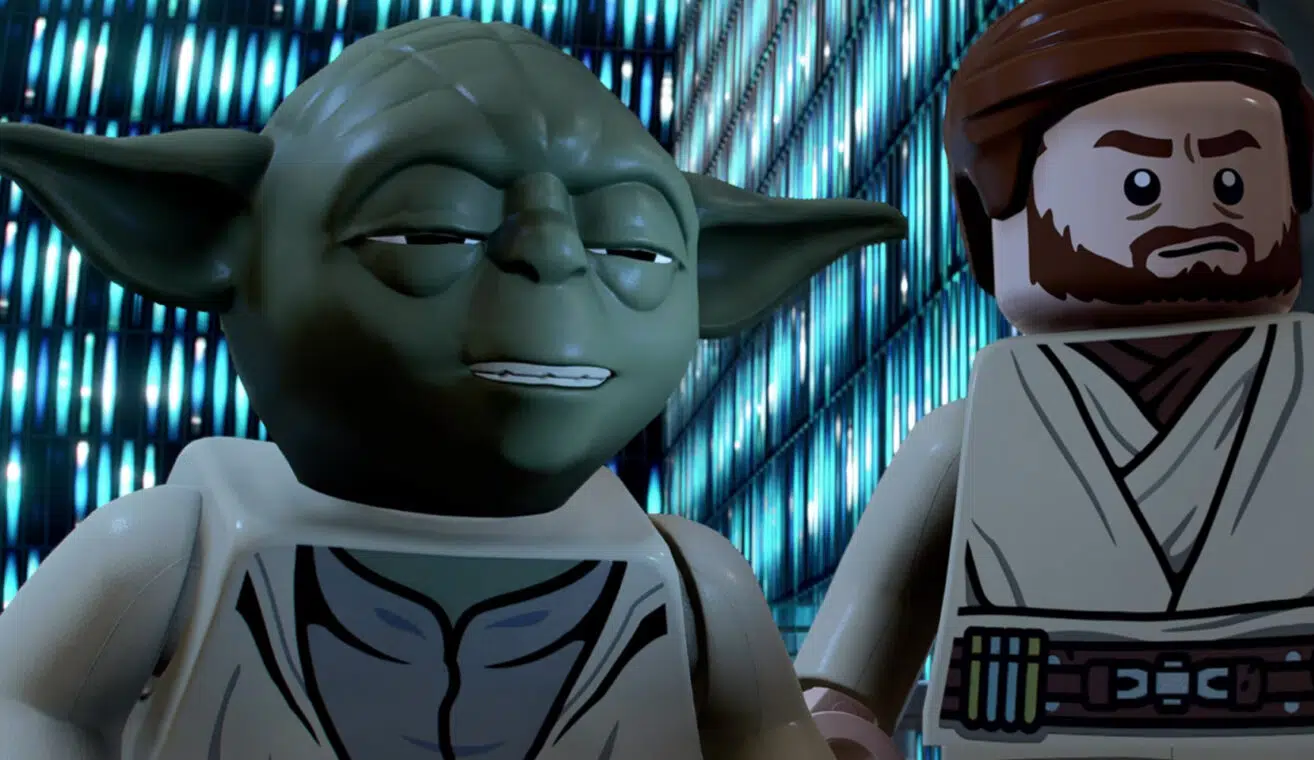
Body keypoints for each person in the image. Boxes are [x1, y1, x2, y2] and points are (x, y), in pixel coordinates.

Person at [0, 17, 909, 760]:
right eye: (431, 231)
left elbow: (767, 736)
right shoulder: (166, 552)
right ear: (203, 238)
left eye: (631, 248)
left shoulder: (695, 581)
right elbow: (29, 710)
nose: (551, 258)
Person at [795, 1, 1314, 758]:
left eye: (1232, 180)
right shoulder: (961, 441)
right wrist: (828, 718)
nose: (1197, 214)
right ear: (987, 219)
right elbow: (874, 611)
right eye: (1140, 183)